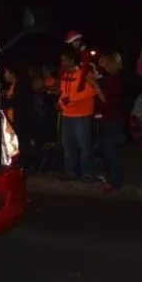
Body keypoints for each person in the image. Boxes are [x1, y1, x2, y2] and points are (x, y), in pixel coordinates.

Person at [58, 49, 97, 181]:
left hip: (82, 115)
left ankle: (87, 173)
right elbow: (63, 94)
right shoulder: (65, 75)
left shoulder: (84, 74)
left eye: (64, 59)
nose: (61, 62)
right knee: (68, 146)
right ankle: (71, 172)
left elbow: (92, 91)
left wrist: (70, 99)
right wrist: (61, 104)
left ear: (71, 60)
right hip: (67, 115)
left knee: (84, 146)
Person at [94, 51, 126, 193]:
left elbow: (105, 98)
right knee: (108, 149)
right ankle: (113, 180)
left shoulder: (115, 79)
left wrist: (94, 84)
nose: (103, 64)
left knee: (110, 150)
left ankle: (114, 181)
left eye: (105, 61)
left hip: (112, 118)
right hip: (108, 117)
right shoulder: (109, 77)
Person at [1, 64, 36, 168]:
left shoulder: (22, 86)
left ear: (12, 73)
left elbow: (18, 103)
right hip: (15, 119)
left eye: (6, 73)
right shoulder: (13, 85)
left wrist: (6, 100)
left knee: (23, 142)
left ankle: (25, 165)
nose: (4, 75)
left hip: (22, 120)